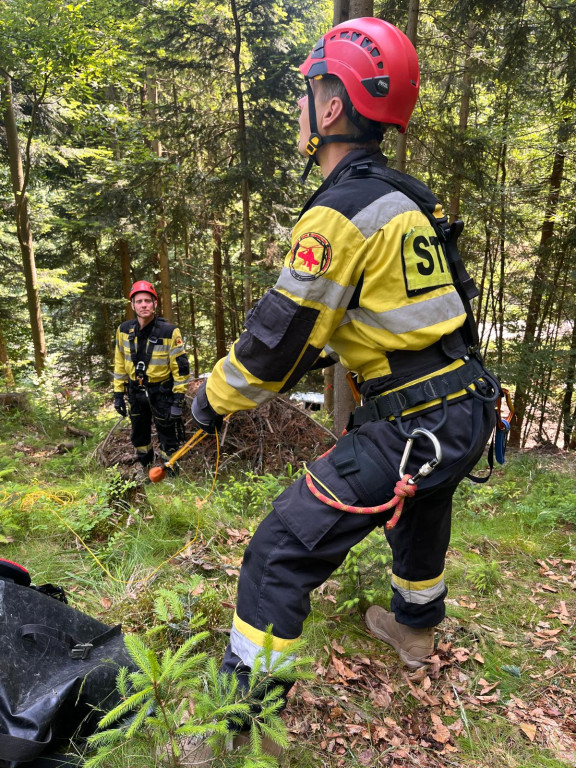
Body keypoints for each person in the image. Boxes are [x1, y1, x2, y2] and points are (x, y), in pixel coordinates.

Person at [190, 15, 499, 752]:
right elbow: (400, 317)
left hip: (413, 421)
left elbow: (271, 348)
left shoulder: (341, 212)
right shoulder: (405, 199)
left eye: (309, 91)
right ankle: (415, 626)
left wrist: (206, 402)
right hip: (464, 409)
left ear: (333, 107)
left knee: (280, 549)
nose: (302, 104)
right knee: (423, 505)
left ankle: (238, 724)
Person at [113, 280, 190, 474]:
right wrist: (117, 394)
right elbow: (120, 362)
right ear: (132, 305)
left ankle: (171, 473)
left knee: (168, 433)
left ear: (155, 304)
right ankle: (146, 468)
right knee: (139, 434)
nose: (144, 305)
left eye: (148, 300)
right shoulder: (123, 330)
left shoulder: (169, 332)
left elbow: (180, 368)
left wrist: (178, 399)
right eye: (139, 301)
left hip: (161, 392)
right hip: (135, 391)